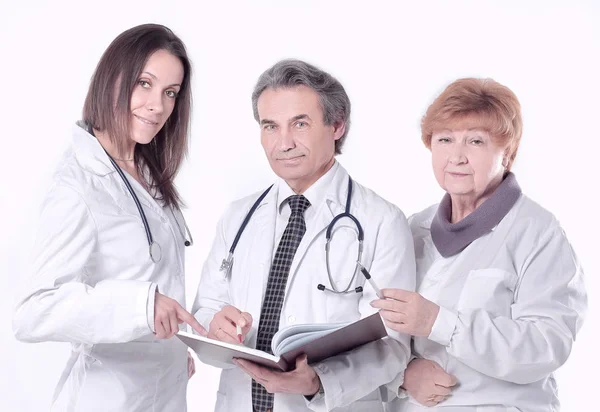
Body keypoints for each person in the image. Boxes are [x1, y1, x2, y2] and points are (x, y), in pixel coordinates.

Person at [192, 59, 416, 412]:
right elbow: (205, 309)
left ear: (337, 125)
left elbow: (392, 343)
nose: (283, 143)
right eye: (270, 126)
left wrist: (319, 381)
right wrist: (214, 328)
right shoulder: (237, 217)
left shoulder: (382, 221)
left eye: (300, 123)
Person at [12, 24, 206, 411]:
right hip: (107, 398)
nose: (157, 106)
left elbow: (155, 277)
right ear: (111, 78)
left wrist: (169, 347)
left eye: (170, 93)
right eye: (144, 84)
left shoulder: (145, 170)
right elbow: (33, 311)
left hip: (163, 391)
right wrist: (140, 308)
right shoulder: (78, 183)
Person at [371, 78, 588, 411]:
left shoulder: (538, 233)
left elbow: (546, 346)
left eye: (475, 141)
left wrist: (438, 322)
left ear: (508, 152)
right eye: (444, 139)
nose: (456, 156)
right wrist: (403, 372)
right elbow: (380, 331)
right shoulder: (413, 227)